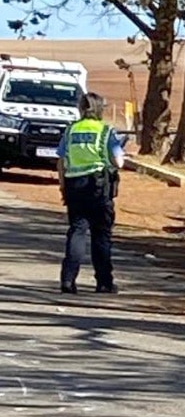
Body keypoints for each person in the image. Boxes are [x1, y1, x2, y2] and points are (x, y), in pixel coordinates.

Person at [56, 92, 125, 294]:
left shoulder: (70, 131)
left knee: (77, 232)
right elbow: (118, 161)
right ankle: (104, 282)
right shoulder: (105, 131)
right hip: (99, 188)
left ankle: (68, 280)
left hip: (74, 187)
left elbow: (61, 162)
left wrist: (63, 187)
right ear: (99, 109)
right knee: (101, 235)